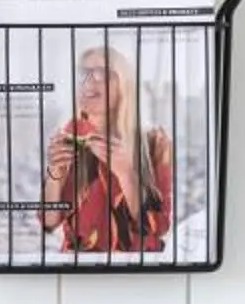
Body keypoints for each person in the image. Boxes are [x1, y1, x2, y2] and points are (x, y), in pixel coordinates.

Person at [42, 39, 173, 256]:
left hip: (138, 266)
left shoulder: (155, 142)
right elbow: (49, 221)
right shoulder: (68, 138)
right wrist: (55, 172)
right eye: (83, 73)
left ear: (124, 85)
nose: (89, 80)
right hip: (79, 265)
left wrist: (126, 174)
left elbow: (158, 226)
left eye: (102, 73)